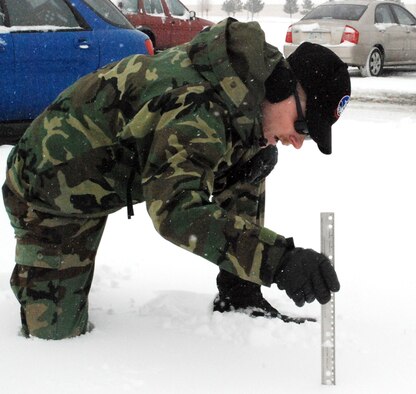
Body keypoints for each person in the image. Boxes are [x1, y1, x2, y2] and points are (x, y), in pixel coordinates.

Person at [2, 18, 350, 339]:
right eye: (303, 127)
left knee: (253, 158)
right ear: (283, 87)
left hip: (104, 174)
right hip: (49, 189)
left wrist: (248, 278)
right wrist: (278, 261)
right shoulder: (198, 107)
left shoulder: (247, 86)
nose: (298, 142)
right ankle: (39, 280)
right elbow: (176, 211)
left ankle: (239, 292)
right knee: (56, 339)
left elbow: (236, 169)